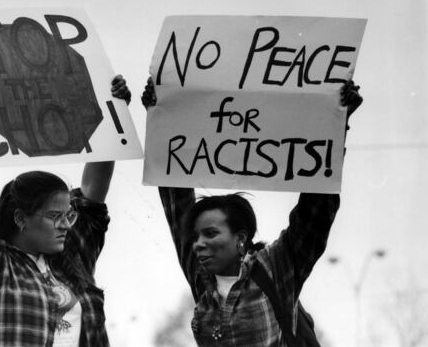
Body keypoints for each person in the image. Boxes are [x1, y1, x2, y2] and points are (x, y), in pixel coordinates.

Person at [141, 76, 362, 346]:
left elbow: (315, 211)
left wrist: (336, 124)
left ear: (240, 239)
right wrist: (162, 116)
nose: (198, 244)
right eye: (196, 236)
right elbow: (176, 198)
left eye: (210, 234)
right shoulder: (201, 277)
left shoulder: (276, 267)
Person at [0, 71, 131, 347]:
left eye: (68, 215)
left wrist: (114, 110)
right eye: (54, 216)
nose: (65, 225)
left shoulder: (73, 255)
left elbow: (93, 192)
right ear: (21, 219)